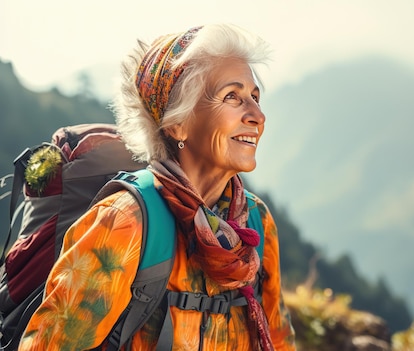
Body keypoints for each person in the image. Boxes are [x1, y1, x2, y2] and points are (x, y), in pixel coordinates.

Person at [18, 23, 296, 351]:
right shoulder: (125, 220)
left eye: (255, 97)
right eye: (232, 96)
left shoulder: (256, 221)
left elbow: (278, 340)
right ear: (177, 124)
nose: (257, 115)